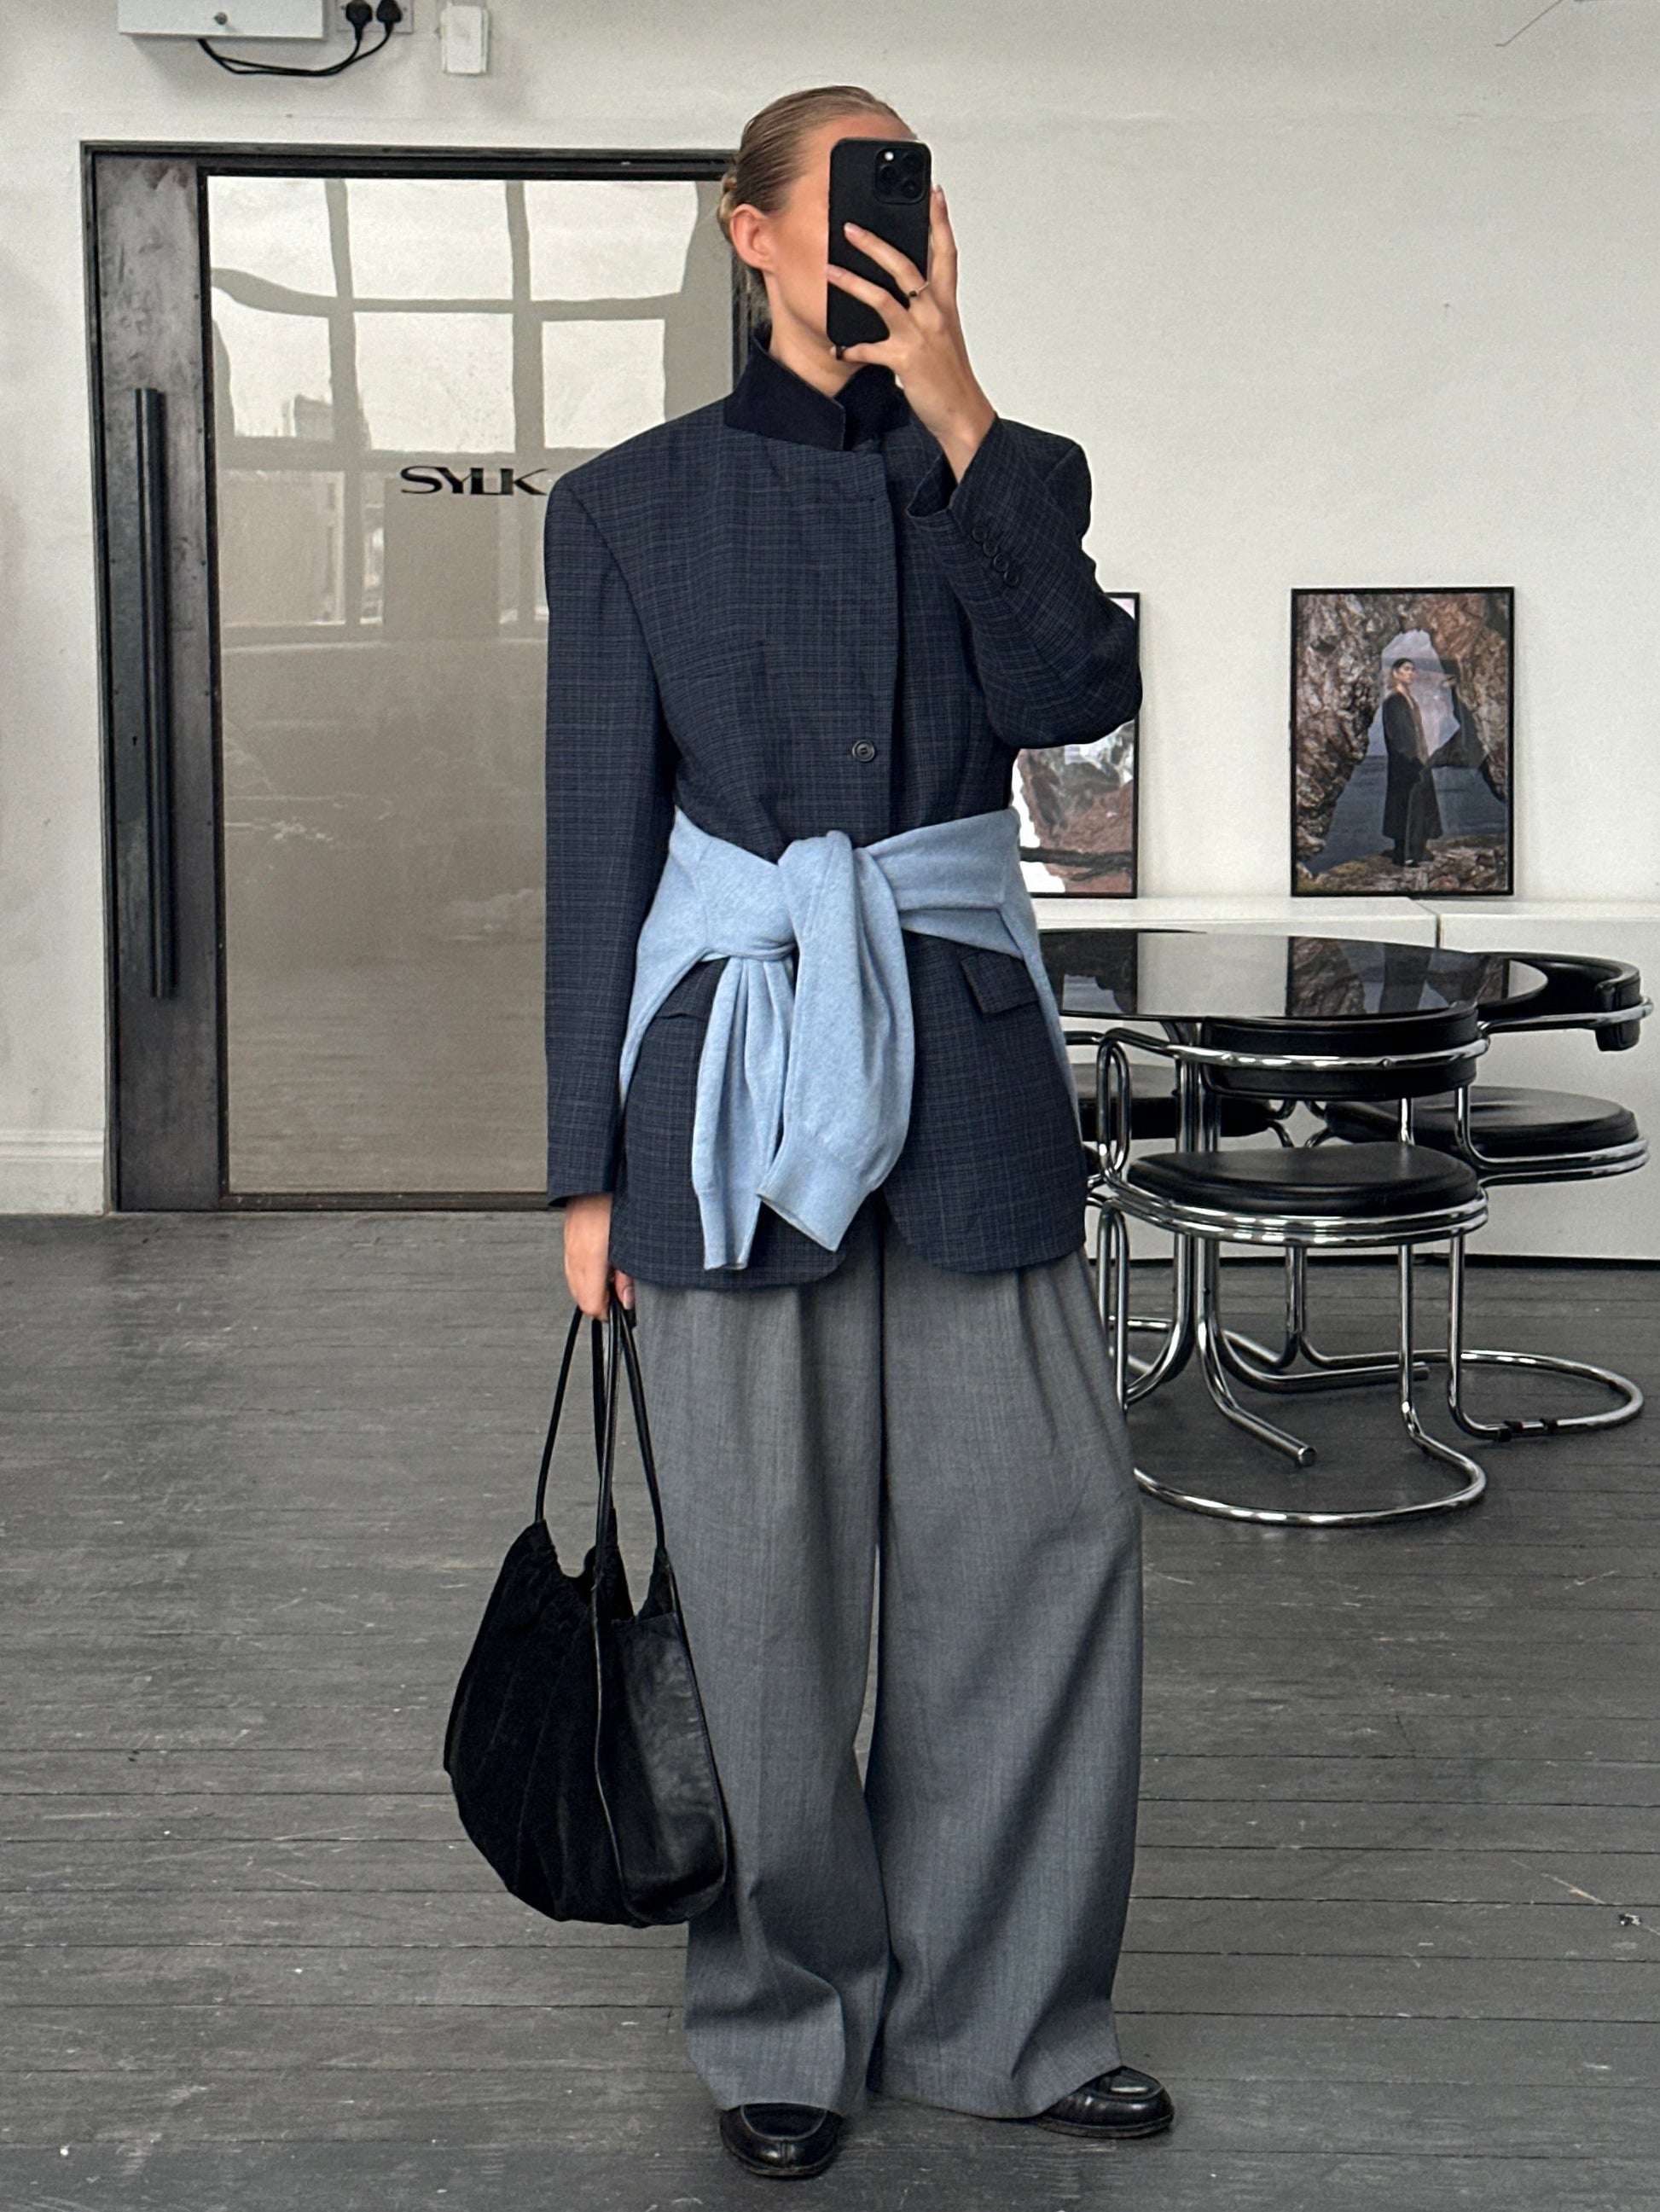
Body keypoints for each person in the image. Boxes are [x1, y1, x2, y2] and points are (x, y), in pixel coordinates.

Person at [543, 84, 1170, 2180]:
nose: (891, 225)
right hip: (726, 1087)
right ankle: (783, 2023)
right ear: (751, 234)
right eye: (849, 191)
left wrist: (961, 401)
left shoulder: (1006, 473)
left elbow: (1077, 699)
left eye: (916, 191)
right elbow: (596, 842)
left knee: (1044, 1549)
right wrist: (581, 1170)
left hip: (968, 1076)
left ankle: (1010, 2019)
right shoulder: (626, 505)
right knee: (758, 1585)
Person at [1380, 653, 1443, 867]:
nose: (1411, 673)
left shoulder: (1410, 700)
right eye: (1406, 669)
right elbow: (1397, 736)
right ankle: (1405, 854)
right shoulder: (1393, 702)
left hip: (1417, 760)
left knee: (1419, 805)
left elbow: (1416, 733)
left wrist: (1422, 759)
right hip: (1405, 763)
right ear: (1395, 673)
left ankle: (1416, 850)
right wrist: (1410, 760)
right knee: (1405, 806)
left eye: (1413, 669)